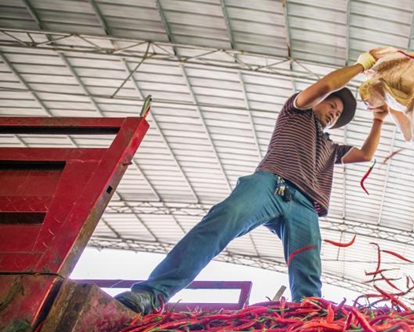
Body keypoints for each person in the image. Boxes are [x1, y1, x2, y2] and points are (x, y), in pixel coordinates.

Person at [115, 52, 387, 314]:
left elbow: (365, 154)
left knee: (308, 267)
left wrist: (378, 119)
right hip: (270, 184)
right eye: (332, 105)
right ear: (320, 100)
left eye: (338, 114)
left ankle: (310, 322)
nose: (334, 114)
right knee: (222, 222)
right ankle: (152, 294)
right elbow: (328, 84)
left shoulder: (331, 148)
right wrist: (362, 66)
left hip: (305, 206)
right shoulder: (296, 111)